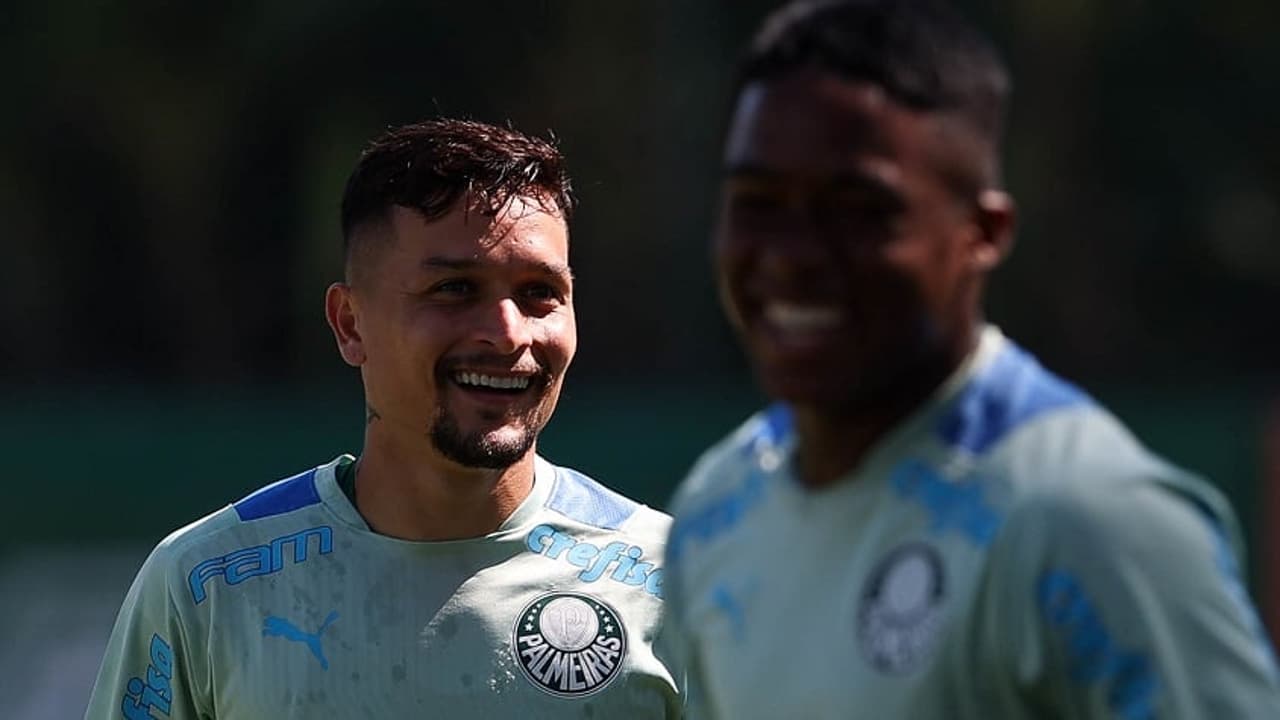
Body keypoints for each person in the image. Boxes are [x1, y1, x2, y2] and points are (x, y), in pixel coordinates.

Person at [663, 1, 1280, 718]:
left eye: (859, 210)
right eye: (758, 203)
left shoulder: (1090, 522)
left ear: (981, 234)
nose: (793, 257)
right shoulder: (717, 509)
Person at [85, 118, 681, 718]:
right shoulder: (206, 585)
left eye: (539, 293)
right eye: (454, 289)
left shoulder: (678, 585)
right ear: (350, 324)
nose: (506, 334)